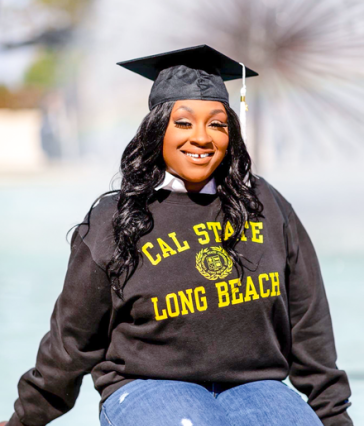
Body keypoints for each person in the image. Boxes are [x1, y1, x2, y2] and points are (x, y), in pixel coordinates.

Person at [1, 45, 353, 426]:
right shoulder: (114, 219)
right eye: (183, 123)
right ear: (157, 129)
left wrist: (333, 416)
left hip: (258, 386)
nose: (201, 138)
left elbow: (309, 322)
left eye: (216, 124)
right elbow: (71, 341)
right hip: (149, 386)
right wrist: (25, 419)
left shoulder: (266, 205)